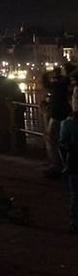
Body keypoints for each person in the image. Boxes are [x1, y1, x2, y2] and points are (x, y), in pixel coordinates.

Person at [60, 89, 77, 232]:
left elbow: (62, 144)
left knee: (75, 194)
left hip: (74, 161)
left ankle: (75, 221)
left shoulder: (67, 124)